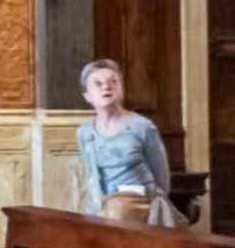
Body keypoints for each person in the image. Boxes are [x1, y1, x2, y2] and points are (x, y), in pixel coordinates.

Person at [76, 59, 183, 227]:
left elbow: (162, 179)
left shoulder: (142, 126)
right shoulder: (84, 131)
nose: (106, 87)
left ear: (122, 89)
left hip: (139, 206)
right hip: (102, 206)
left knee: (119, 212)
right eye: (98, 84)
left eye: (113, 82)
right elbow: (90, 174)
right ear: (87, 95)